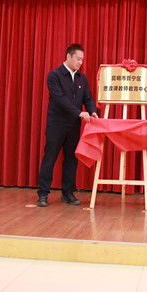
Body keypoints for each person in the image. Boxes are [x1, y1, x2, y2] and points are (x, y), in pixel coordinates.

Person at [37, 43, 98, 207]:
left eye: (82, 60)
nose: (80, 62)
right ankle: (43, 194)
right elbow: (60, 99)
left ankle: (68, 193)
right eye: (78, 59)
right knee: (50, 157)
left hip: (73, 125)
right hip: (56, 124)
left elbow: (88, 98)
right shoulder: (54, 75)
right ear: (68, 56)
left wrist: (92, 111)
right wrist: (79, 113)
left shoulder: (82, 78)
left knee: (71, 159)